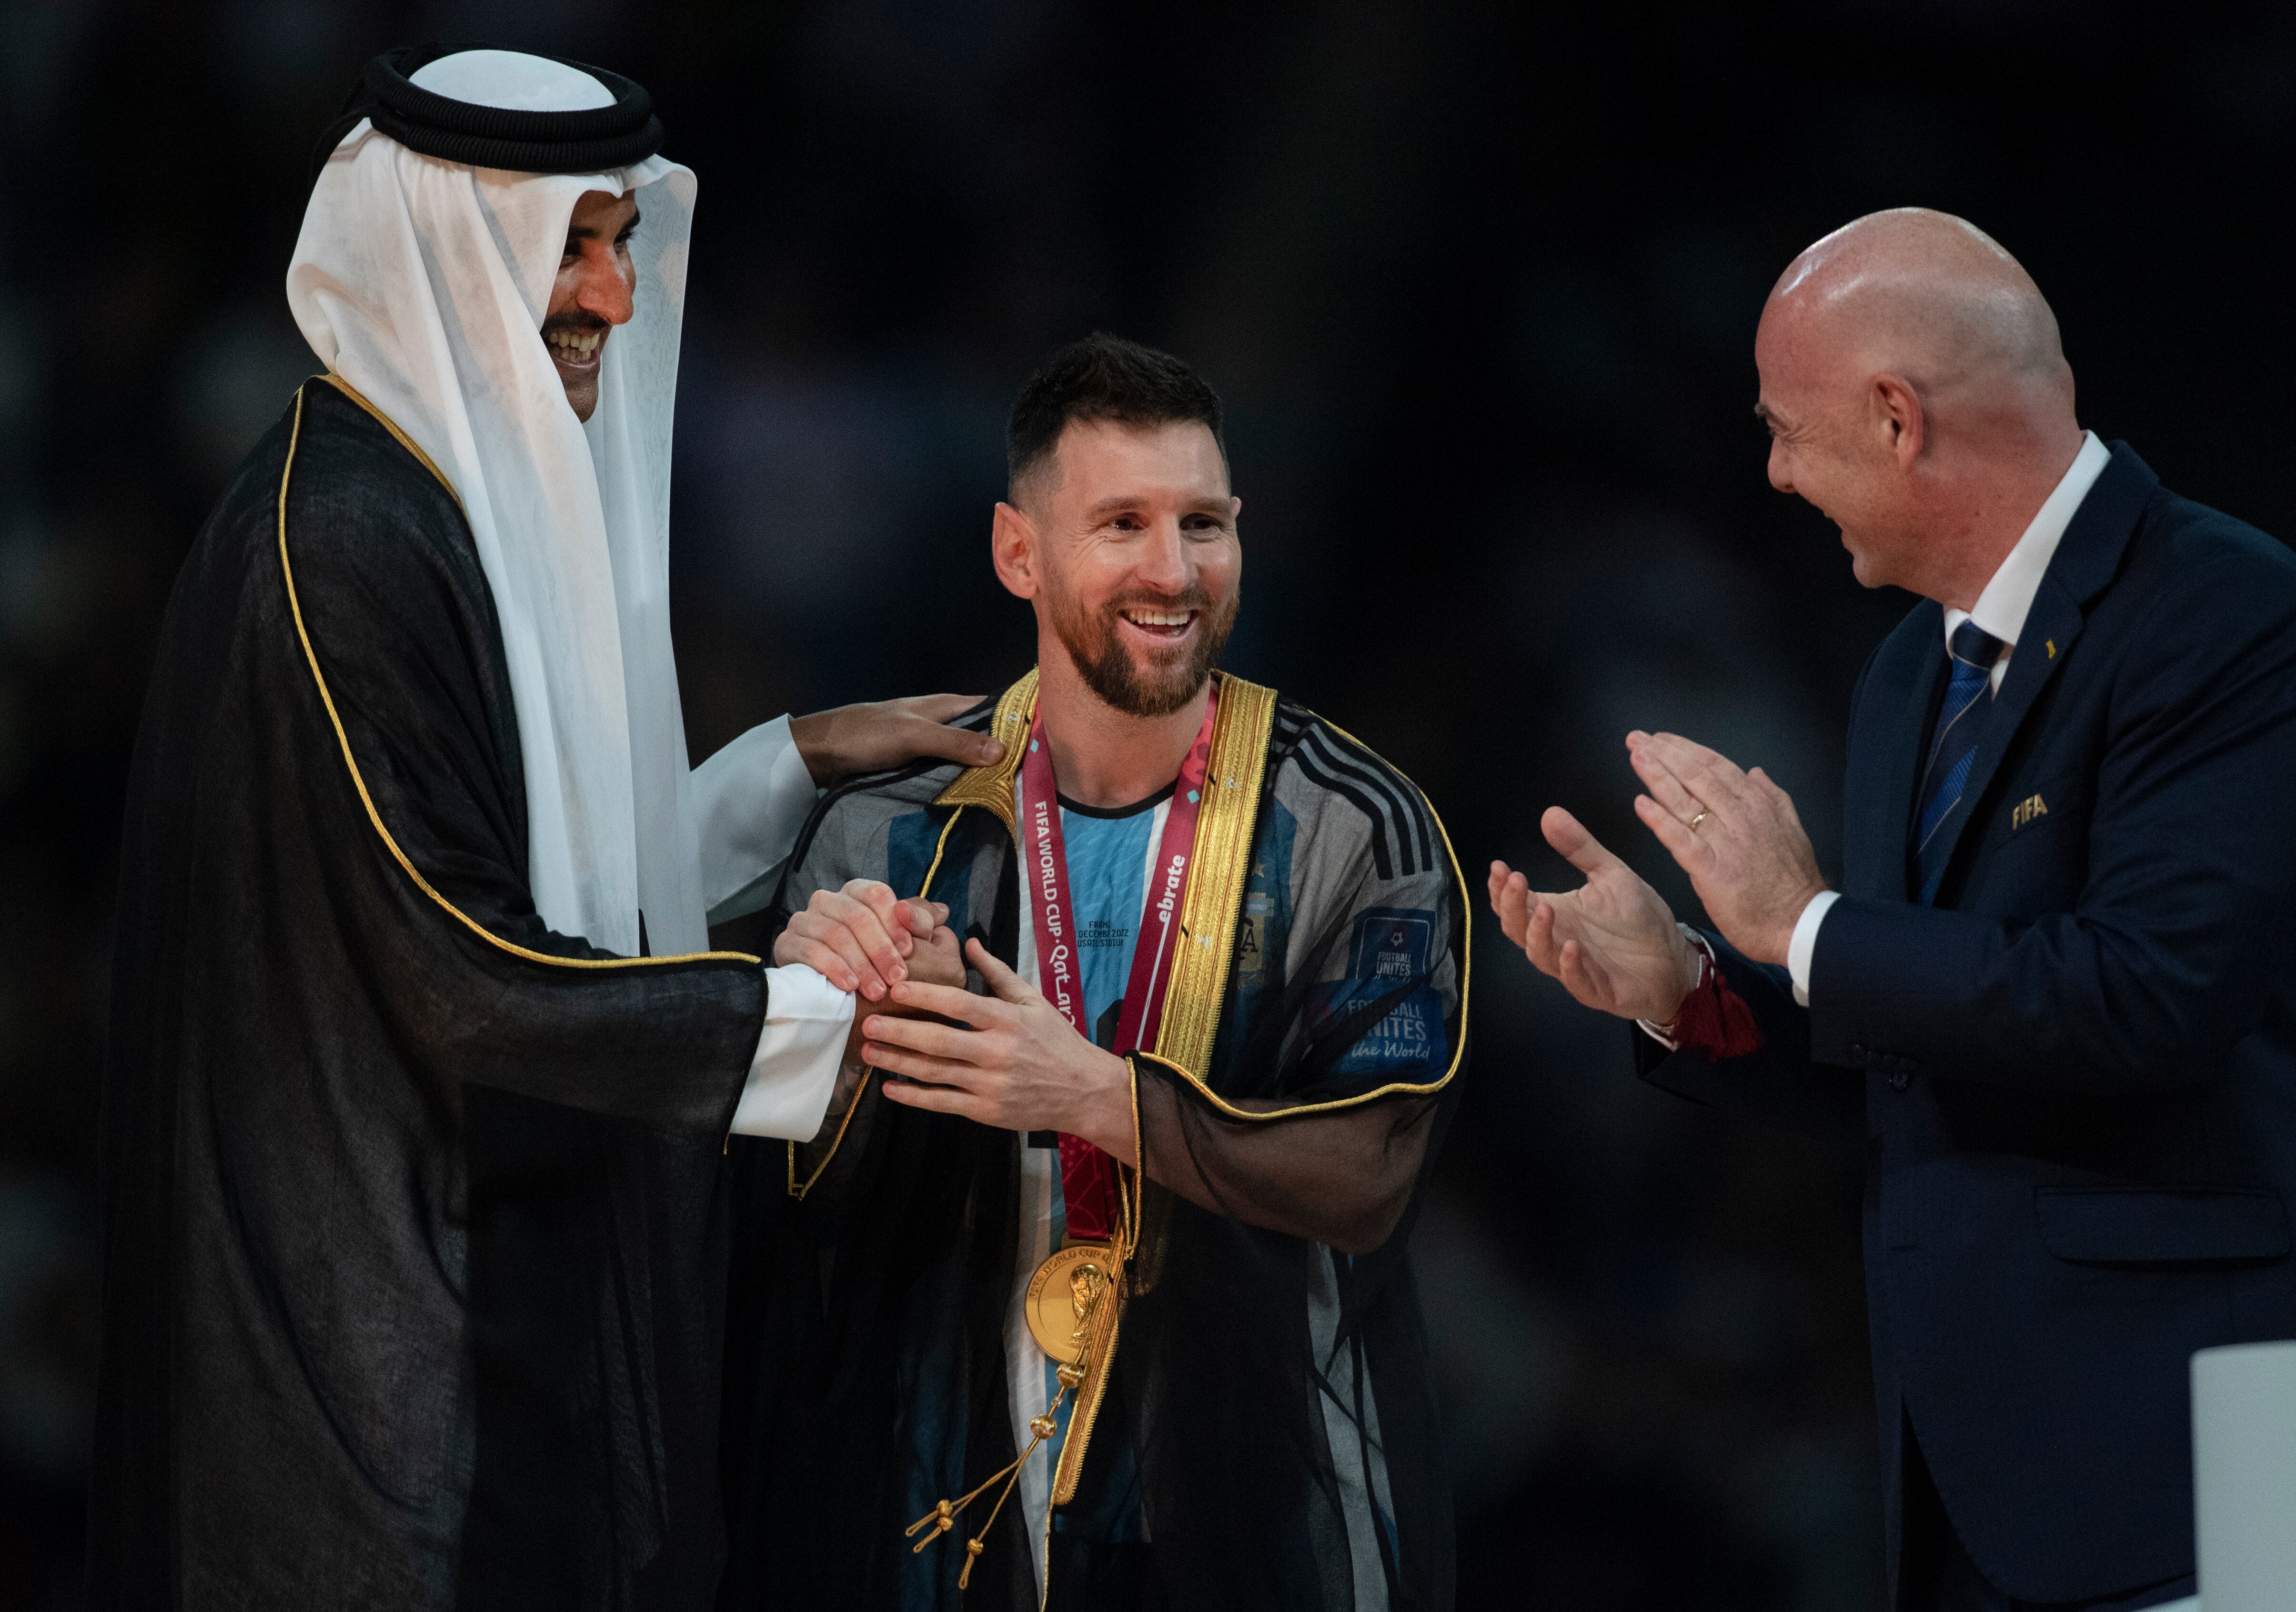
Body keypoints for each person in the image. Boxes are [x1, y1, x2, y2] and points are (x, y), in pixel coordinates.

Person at [91, 47, 991, 1611]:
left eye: (623, 240)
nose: (617, 298)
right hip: (383, 1404)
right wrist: (823, 1023)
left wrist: (791, 759)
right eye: (575, 246)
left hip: (465, 1339)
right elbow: (464, 973)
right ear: (455, 246)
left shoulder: (417, 496)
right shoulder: (343, 540)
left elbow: (534, 882)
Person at [1491, 208, 2296, 1611]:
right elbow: (1917, 1062)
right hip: (1965, 1495)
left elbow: (2145, 998)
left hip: (2194, 1467)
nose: (1772, 472)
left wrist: (1802, 926)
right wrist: (1685, 988)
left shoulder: (2229, 613)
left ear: (1892, 419)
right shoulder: (1902, 681)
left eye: (1785, 430)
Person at [718, 333, 1470, 1610]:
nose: (1173, 572)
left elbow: (1368, 1176)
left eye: (1204, 523)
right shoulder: (886, 832)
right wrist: (835, 1038)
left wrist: (1091, 1095)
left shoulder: (1357, 824)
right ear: (1020, 551)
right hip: (931, 1514)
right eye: (1121, 523)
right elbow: (793, 1209)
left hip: (1259, 1521)